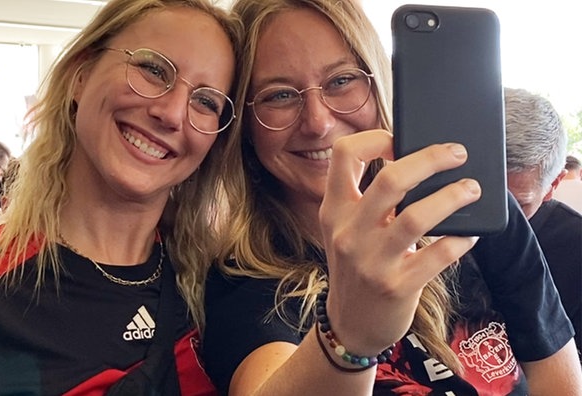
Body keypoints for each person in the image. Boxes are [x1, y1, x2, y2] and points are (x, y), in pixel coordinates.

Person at [202, 1, 582, 395]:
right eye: (279, 95)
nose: (318, 122)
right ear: (246, 126)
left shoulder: (472, 208)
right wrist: (349, 336)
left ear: (380, 84)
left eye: (341, 81)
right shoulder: (244, 282)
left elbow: (558, 377)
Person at [0, 0, 240, 394]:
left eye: (206, 101)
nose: (172, 113)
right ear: (80, 75)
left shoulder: (221, 291)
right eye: (153, 69)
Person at [503, 87, 581, 358]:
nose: (494, 223)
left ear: (553, 185)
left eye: (516, 206)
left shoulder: (576, 247)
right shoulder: (423, 225)